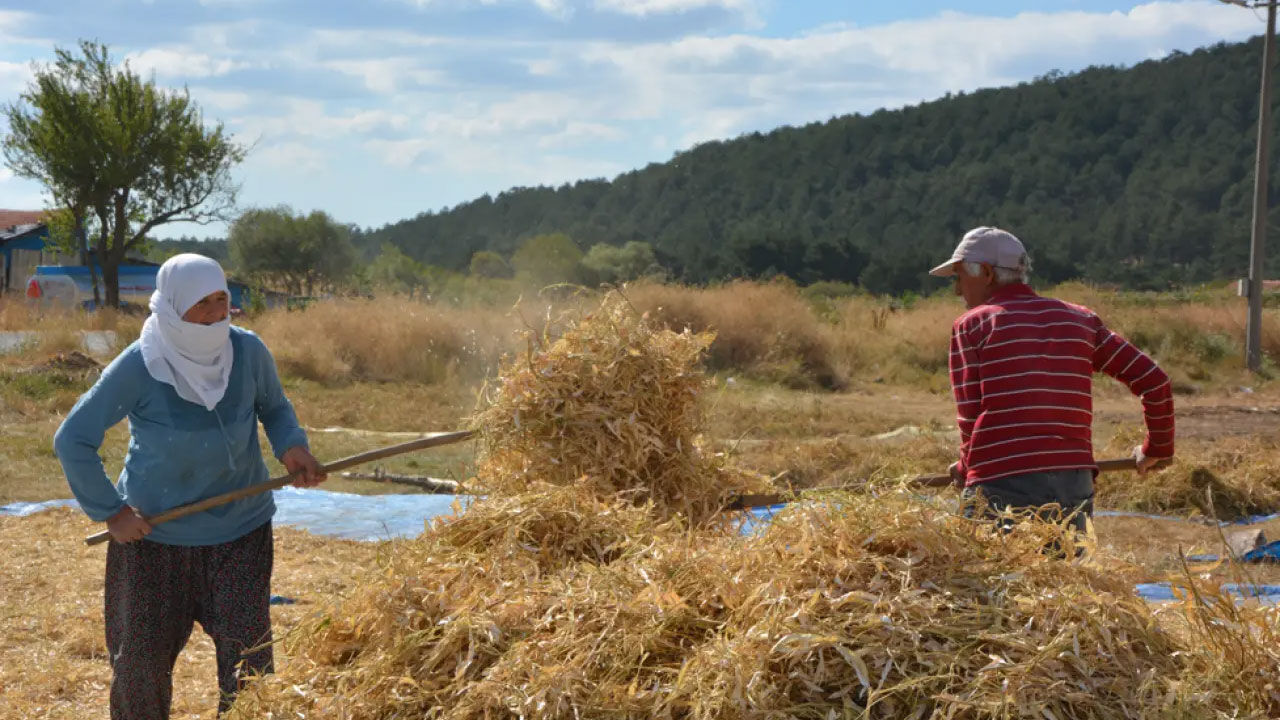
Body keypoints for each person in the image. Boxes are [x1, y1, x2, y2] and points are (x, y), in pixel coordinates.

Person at [53, 254, 326, 719]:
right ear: (174, 307)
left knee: (250, 668)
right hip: (154, 539)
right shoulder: (141, 365)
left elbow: (274, 407)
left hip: (240, 535)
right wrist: (112, 511)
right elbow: (73, 439)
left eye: (222, 299)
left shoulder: (249, 352)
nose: (217, 312)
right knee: (140, 667)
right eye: (203, 303)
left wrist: (291, 447)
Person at [929, 227, 1174, 534]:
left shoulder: (975, 324)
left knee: (992, 579)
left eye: (960, 277)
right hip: (1073, 486)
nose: (957, 290)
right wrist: (1158, 448)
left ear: (987, 273)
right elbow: (1153, 380)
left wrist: (966, 468)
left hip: (1002, 487)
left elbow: (970, 415)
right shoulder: (1080, 320)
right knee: (1063, 576)